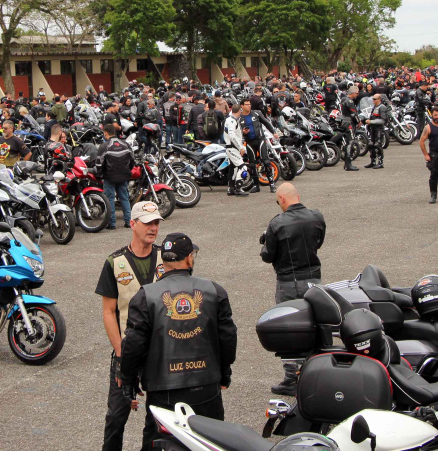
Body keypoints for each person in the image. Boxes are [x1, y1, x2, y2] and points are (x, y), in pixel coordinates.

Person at [119, 232, 237, 451]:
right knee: (211, 442)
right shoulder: (214, 291)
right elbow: (228, 337)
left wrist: (128, 378)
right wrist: (224, 371)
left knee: (158, 443)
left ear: (164, 261)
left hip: (163, 390)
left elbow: (133, 344)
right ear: (189, 258)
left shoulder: (146, 295)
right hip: (206, 386)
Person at [95, 201, 165, 451]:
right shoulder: (115, 262)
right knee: (116, 416)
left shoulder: (166, 259)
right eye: (147, 223)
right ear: (133, 224)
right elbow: (108, 312)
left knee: (158, 418)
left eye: (156, 222)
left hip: (161, 352)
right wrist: (121, 353)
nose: (153, 228)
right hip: (127, 351)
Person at [260, 182, 325, 395]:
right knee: (315, 326)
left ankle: (291, 379)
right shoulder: (317, 217)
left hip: (288, 281)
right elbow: (318, 242)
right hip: (313, 280)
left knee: (287, 330)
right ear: (297, 195)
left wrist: (264, 241)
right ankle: (316, 373)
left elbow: (268, 255)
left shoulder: (277, 224)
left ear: (282, 200)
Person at [98, 124, 135, 230]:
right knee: (124, 198)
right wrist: (127, 170)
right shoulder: (125, 144)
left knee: (110, 199)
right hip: (123, 175)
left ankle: (111, 223)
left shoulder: (105, 146)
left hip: (109, 176)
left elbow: (99, 162)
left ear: (105, 133)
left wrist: (99, 174)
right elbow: (132, 160)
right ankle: (129, 221)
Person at [240, 98, 277, 193]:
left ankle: (272, 184)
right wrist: (243, 132)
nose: (249, 106)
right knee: (252, 164)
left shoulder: (256, 113)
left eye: (249, 104)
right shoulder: (239, 117)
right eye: (247, 104)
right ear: (242, 106)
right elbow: (237, 132)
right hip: (249, 142)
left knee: (266, 161)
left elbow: (266, 122)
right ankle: (256, 185)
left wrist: (274, 132)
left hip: (260, 140)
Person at [222, 104, 248, 197]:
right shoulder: (232, 121)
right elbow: (232, 136)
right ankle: (238, 187)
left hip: (231, 148)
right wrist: (240, 147)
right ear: (239, 111)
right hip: (232, 148)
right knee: (243, 168)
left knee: (234, 168)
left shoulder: (230, 120)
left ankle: (231, 188)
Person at [365, 93, 389, 169]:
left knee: (377, 145)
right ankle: (373, 161)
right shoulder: (374, 107)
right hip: (373, 128)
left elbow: (383, 120)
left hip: (379, 129)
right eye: (373, 99)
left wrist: (371, 122)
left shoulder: (382, 108)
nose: (373, 100)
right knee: (371, 144)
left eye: (375, 99)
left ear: (379, 99)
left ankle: (380, 162)